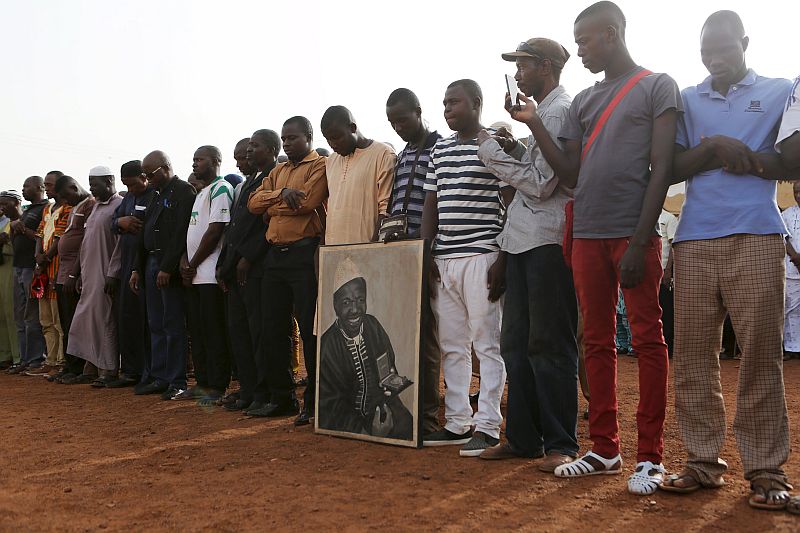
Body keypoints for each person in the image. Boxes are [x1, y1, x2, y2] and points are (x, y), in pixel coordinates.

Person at [507, 1, 680, 494]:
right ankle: (605, 448)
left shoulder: (656, 85)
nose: (578, 51)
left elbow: (663, 167)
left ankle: (651, 456)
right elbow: (572, 173)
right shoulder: (583, 101)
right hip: (585, 232)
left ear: (612, 32)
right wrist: (534, 121)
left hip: (632, 233)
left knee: (647, 340)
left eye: (584, 41)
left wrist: (641, 239)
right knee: (595, 342)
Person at [661, 11, 796, 510]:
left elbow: (793, 159)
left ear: (745, 42)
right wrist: (718, 146)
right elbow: (671, 166)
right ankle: (701, 463)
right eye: (705, 52)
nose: (714, 59)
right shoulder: (688, 99)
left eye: (724, 49)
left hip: (758, 236)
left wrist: (749, 158)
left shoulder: (783, 90)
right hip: (693, 238)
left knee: (761, 356)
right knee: (693, 355)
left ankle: (766, 471)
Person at [475, 38, 579, 471]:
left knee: (548, 345)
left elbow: (541, 184)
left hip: (546, 242)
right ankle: (523, 438)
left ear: (546, 66)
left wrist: (491, 154)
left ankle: (560, 443)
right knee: (516, 344)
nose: (517, 74)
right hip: (523, 240)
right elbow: (537, 167)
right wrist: (514, 145)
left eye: (522, 66)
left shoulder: (557, 111)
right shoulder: (544, 111)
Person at [420, 79, 507, 457]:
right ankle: (457, 421)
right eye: (443, 103)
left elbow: (511, 201)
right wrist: (428, 255)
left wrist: (501, 256)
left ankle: (488, 426)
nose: (446, 109)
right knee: (452, 344)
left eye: (453, 102)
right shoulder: (439, 148)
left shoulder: (494, 145)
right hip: (446, 259)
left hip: (482, 255)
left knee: (487, 343)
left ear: (476, 103)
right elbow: (430, 203)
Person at [248, 119, 327, 424]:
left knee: (309, 331)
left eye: (292, 138)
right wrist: (282, 195)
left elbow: (307, 202)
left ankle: (313, 402)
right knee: (273, 330)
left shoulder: (319, 165)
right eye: (283, 139)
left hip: (303, 255)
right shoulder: (278, 171)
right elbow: (255, 204)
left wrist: (273, 202)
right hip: (275, 259)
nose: (287, 143)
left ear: (308, 137)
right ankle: (282, 399)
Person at [385, 88, 443, 438]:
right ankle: (405, 410)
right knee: (402, 332)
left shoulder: (441, 146)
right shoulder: (403, 154)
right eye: (392, 122)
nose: (397, 127)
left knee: (428, 334)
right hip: (400, 252)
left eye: (402, 119)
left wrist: (431, 246)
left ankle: (428, 416)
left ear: (419, 112)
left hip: (429, 251)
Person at [318, 259, 413, 438]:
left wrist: (391, 384)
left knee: (407, 426)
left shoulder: (373, 326)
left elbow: (387, 367)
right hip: (344, 419)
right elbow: (331, 403)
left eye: (360, 300)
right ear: (335, 306)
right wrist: (367, 433)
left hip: (381, 407)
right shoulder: (328, 345)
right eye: (346, 302)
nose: (355, 309)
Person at [217, 132, 275, 412]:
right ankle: (249, 390)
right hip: (236, 270)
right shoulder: (246, 185)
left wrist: (248, 258)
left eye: (252, 149)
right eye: (244, 151)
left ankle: (264, 393)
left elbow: (266, 227)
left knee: (258, 334)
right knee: (239, 333)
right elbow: (235, 230)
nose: (247, 155)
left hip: (257, 268)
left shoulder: (272, 178)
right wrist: (224, 265)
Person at [130, 151, 195, 400]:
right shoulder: (155, 195)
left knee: (172, 324)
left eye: (150, 173)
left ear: (166, 167)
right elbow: (144, 232)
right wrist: (137, 268)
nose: (147, 178)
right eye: (144, 174)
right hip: (150, 263)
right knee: (155, 323)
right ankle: (160, 376)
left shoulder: (183, 191)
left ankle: (176, 380)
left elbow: (181, 233)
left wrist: (167, 267)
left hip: (168, 266)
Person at [177, 146, 232, 405]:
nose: (195, 164)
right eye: (194, 160)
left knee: (213, 332)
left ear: (216, 162)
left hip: (209, 273)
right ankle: (202, 382)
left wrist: (194, 262)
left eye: (200, 160)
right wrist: (184, 262)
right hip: (194, 274)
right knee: (197, 332)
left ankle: (217, 385)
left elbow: (215, 231)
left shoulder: (221, 189)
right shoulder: (201, 192)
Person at [65, 166, 123, 385]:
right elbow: (86, 243)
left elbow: (119, 247)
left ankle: (108, 369)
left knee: (104, 320)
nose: (91, 187)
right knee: (86, 319)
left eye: (95, 183)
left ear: (109, 180)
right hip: (89, 274)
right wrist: (79, 273)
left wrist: (113, 273)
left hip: (105, 272)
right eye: (89, 183)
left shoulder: (118, 205)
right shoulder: (96, 207)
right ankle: (91, 364)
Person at [104, 161, 155, 387]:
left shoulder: (155, 195)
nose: (131, 189)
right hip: (127, 266)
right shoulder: (128, 199)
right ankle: (131, 371)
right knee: (128, 319)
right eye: (127, 185)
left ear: (145, 177)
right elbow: (113, 223)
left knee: (148, 321)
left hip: (146, 264)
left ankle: (150, 372)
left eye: (134, 184)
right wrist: (121, 222)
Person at [320, 105, 396, 245]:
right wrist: (321, 246)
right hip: (333, 251)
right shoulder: (330, 161)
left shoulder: (383, 154)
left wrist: (373, 248)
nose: (332, 144)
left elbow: (385, 209)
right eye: (328, 139)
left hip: (366, 249)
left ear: (353, 128)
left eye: (336, 137)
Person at [50, 176, 96, 383]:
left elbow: (85, 243)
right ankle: (70, 365)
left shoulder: (90, 205)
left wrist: (72, 274)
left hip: (74, 274)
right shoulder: (76, 205)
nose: (64, 201)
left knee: (76, 323)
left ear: (73, 187)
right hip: (63, 273)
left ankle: (80, 368)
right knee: (66, 322)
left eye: (65, 196)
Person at [7, 176, 48, 374]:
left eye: (27, 186)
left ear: (40, 188)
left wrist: (22, 228)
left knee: (32, 315)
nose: (23, 189)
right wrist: (16, 228)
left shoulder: (44, 209)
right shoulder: (27, 211)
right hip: (18, 266)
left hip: (32, 267)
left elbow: (41, 238)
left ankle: (36, 359)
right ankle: (24, 359)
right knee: (20, 316)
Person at [29, 170, 67, 375]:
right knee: (46, 321)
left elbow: (60, 238)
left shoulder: (68, 208)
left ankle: (61, 361)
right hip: (43, 271)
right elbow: (40, 233)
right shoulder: (48, 208)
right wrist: (38, 256)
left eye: (50, 185)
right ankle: (50, 361)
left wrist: (45, 258)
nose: (47, 188)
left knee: (58, 320)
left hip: (56, 270)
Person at [0, 191, 22, 369]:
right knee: (1, 313)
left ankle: (17, 356)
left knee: (11, 311)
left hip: (11, 265)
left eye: (4, 204)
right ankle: (4, 355)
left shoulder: (16, 221)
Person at [782, 183, 800, 359]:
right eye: (796, 192)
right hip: (792, 268)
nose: (799, 195)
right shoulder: (786, 214)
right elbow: (783, 237)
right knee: (791, 309)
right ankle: (792, 347)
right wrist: (795, 257)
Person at [657, 208, 678, 356]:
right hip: (648, 272)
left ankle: (668, 347)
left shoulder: (669, 218)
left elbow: (673, 246)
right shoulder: (645, 216)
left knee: (665, 310)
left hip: (663, 272)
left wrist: (668, 270)